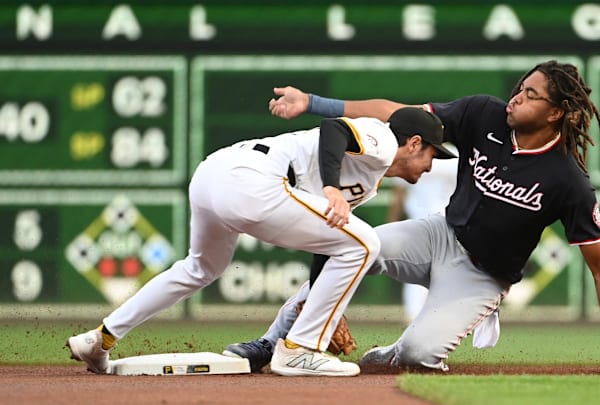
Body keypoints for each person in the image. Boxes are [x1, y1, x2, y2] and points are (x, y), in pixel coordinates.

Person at [224, 60, 600, 374]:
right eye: (520, 87)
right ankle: (269, 343)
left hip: (482, 276)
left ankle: (396, 352)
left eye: (532, 95)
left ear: (556, 113)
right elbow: (398, 113)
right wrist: (314, 102)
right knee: (355, 246)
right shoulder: (483, 114)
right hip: (438, 234)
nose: (517, 97)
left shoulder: (568, 180)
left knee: (419, 356)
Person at [66, 107, 455, 377]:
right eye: (432, 156)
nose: (430, 166)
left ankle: (100, 337)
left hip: (213, 176)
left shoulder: (367, 182)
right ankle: (300, 351)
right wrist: (333, 188)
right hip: (253, 178)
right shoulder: (383, 138)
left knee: (200, 267)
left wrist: (320, 310)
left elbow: (328, 247)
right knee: (366, 242)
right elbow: (333, 129)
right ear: (414, 142)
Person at [386, 143, 458, 323]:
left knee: (418, 270)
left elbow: (399, 195)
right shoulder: (454, 154)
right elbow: (399, 193)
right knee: (436, 270)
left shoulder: (411, 153)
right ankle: (421, 316)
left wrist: (392, 222)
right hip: (434, 222)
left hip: (439, 222)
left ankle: (419, 316)